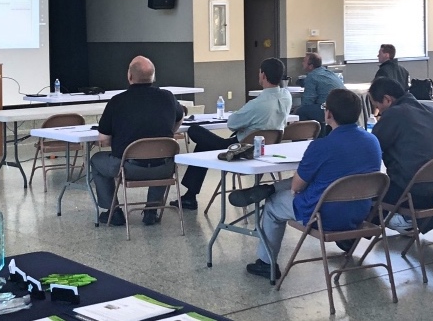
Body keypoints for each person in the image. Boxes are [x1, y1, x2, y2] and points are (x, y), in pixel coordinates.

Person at [227, 89, 382, 279]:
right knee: (322, 181)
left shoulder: (321, 146)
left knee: (273, 205)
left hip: (323, 215)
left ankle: (266, 263)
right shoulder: (373, 141)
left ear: (328, 114)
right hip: (359, 212)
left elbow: (296, 187)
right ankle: (269, 188)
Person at [170, 58, 292, 210]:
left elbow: (232, 123)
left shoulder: (258, 104)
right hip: (266, 149)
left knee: (195, 130)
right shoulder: (287, 96)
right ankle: (189, 196)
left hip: (239, 149)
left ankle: (190, 197)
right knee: (204, 145)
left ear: (263, 75)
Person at [90, 56, 184, 227]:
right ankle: (151, 211)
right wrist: (170, 132)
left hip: (128, 168)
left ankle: (113, 212)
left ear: (130, 76)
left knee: (96, 160)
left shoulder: (117, 101)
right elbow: (180, 117)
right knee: (162, 155)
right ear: (153, 77)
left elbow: (103, 139)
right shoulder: (168, 97)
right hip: (164, 168)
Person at [368, 77, 433, 234]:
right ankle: (405, 221)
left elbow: (371, 147)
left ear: (387, 99)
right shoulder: (430, 110)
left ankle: (349, 240)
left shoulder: (395, 114)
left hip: (415, 193)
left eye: (377, 107)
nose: (378, 112)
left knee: (365, 194)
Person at [296, 52, 344, 128]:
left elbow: (308, 100)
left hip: (329, 109)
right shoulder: (329, 73)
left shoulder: (312, 77)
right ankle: (320, 133)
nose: (302, 63)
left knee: (301, 111)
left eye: (304, 61)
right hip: (342, 107)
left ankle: (302, 137)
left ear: (311, 66)